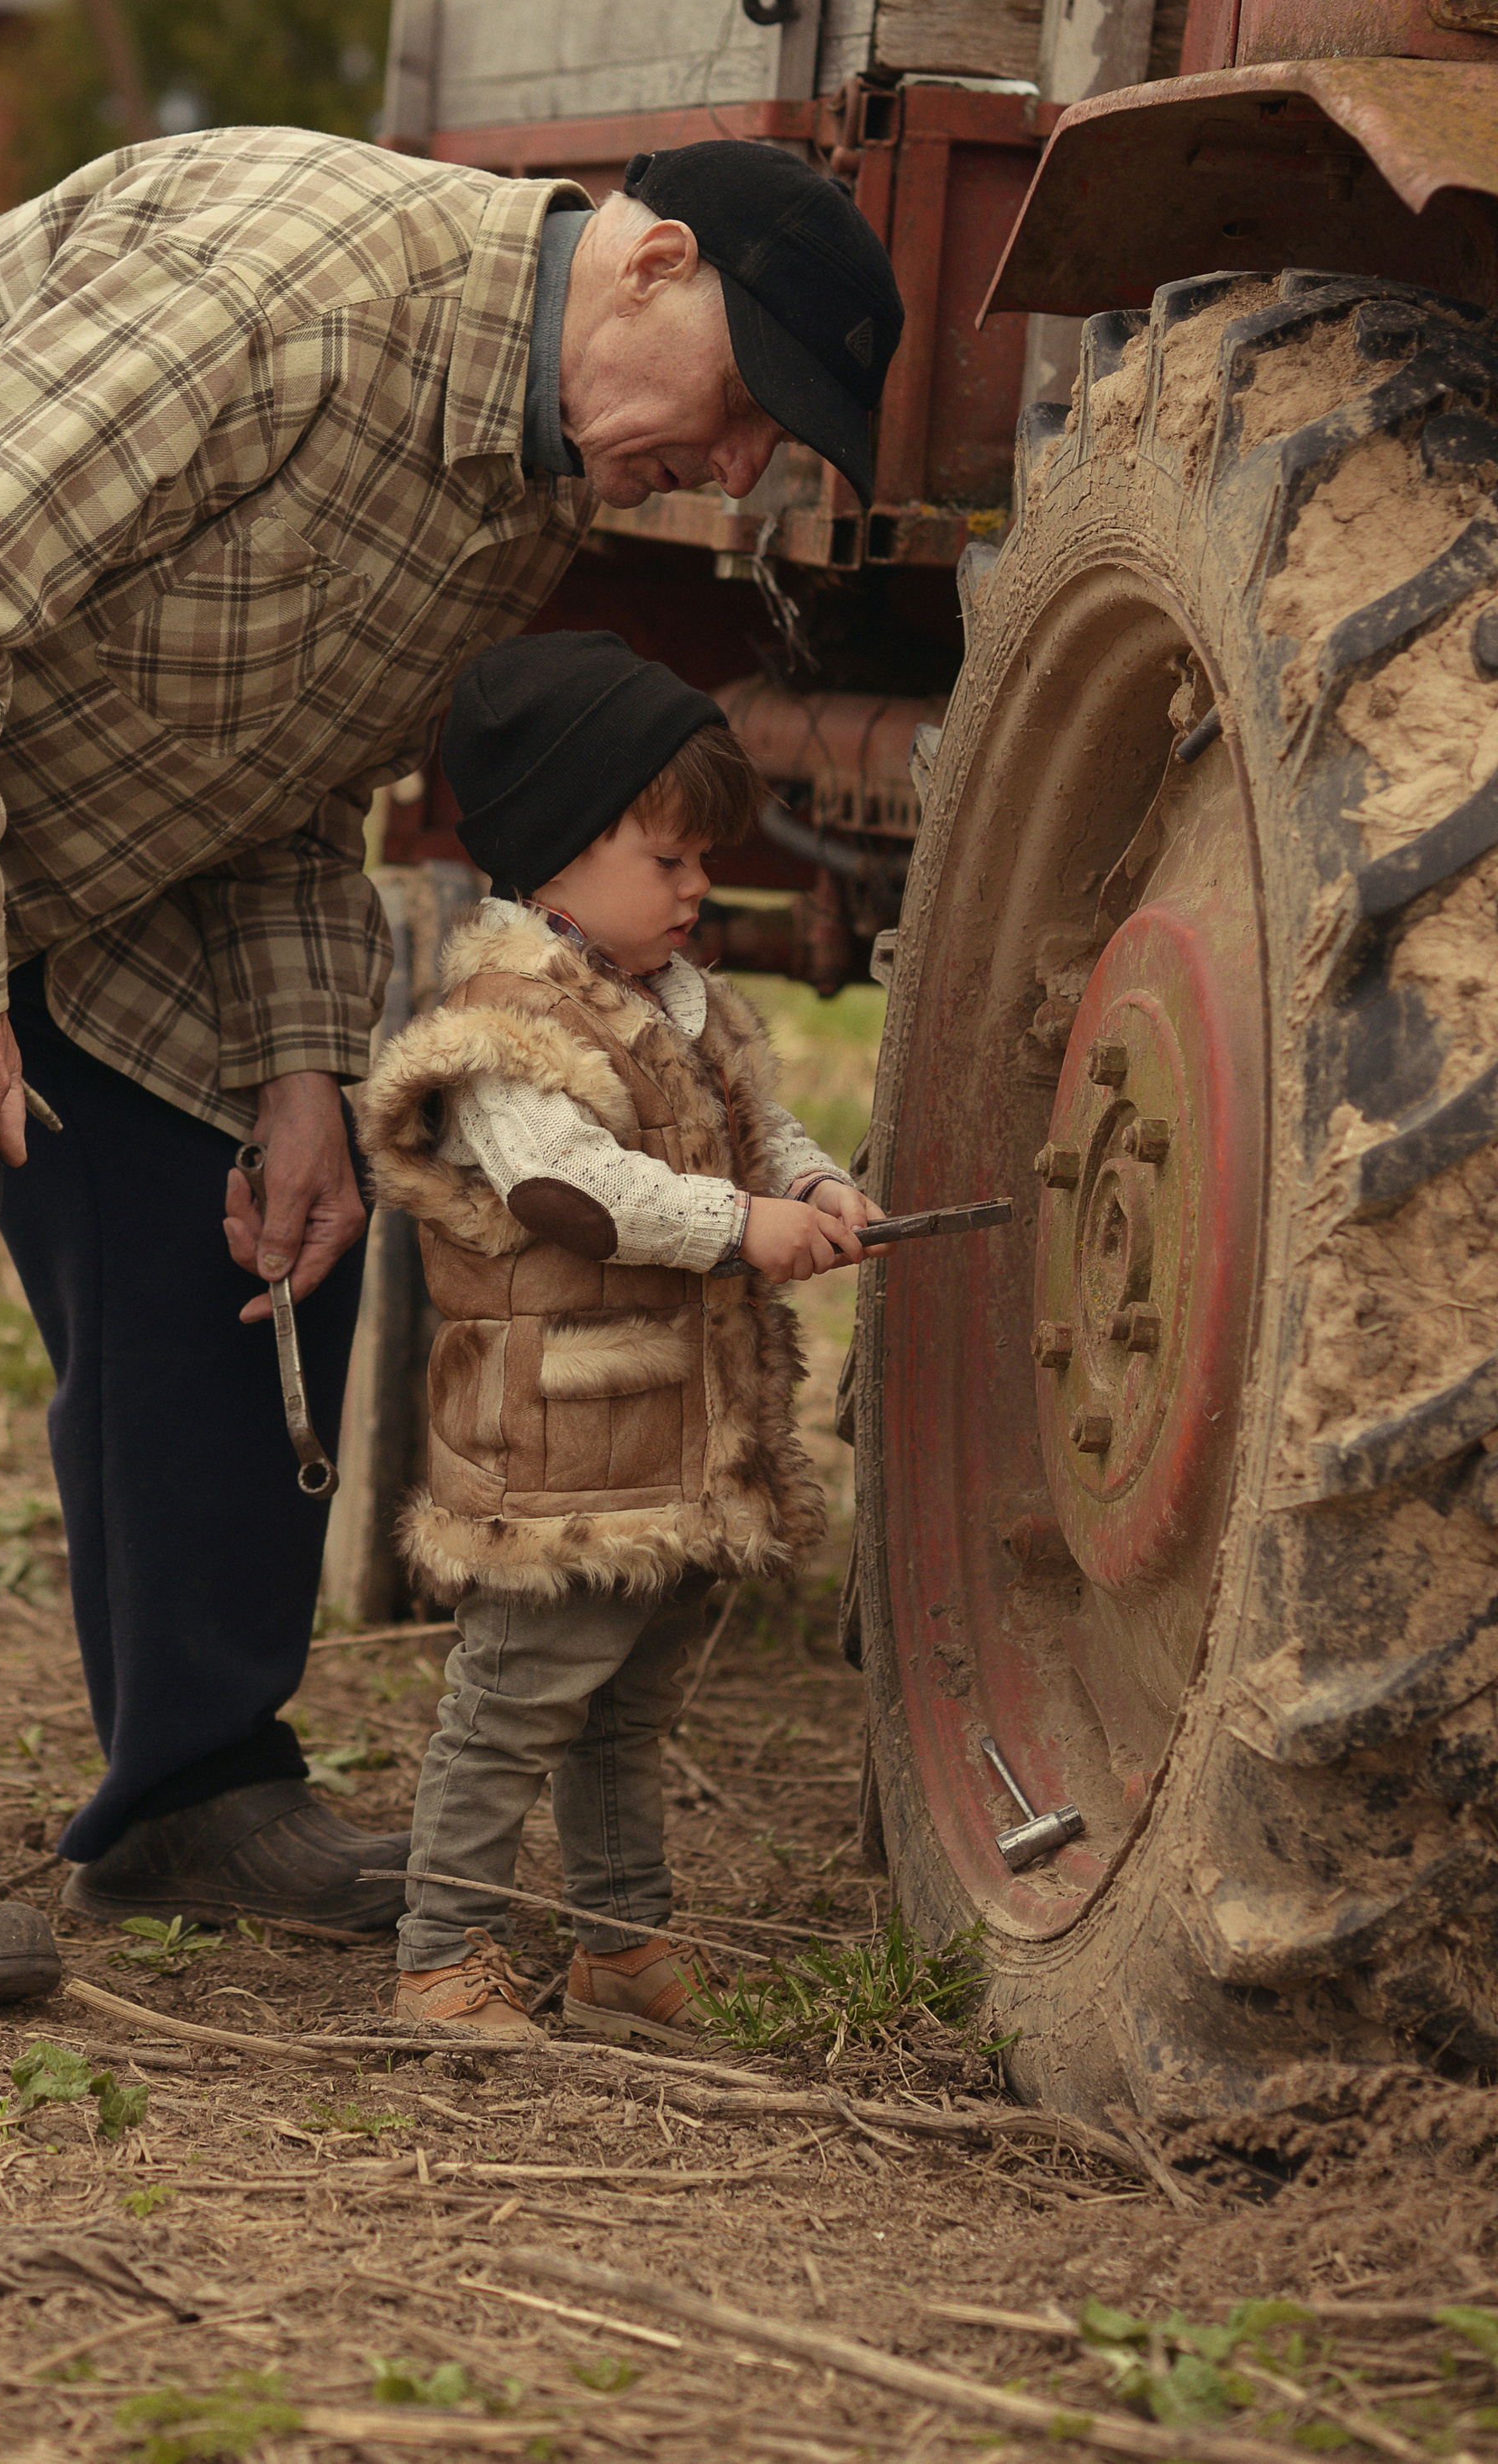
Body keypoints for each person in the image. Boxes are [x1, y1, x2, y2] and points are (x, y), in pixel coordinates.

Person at [0, 126, 905, 2005]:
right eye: (748, 402)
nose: (739, 470)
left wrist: (298, 1075)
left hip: (64, 769)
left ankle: (194, 1791)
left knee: (243, 1231)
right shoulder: (292, 297)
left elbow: (289, 768)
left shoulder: (530, 475)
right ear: (653, 264)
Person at [355, 631, 879, 2041]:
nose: (703, 883)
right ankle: (441, 1954)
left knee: (626, 1708)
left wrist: (812, 1181)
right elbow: (568, 1189)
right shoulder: (508, 1025)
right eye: (672, 858)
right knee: (516, 1701)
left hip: (658, 1437)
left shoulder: (678, 1004)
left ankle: (619, 1945)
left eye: (705, 857)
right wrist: (735, 1226)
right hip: (554, 1446)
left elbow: (757, 1126)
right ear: (561, 855)